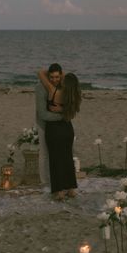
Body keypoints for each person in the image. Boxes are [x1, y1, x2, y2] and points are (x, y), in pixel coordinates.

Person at [38, 69, 81, 200]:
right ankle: (71, 189)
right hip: (67, 129)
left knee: (55, 160)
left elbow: (40, 72)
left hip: (54, 129)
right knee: (67, 158)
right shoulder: (74, 96)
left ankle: (59, 191)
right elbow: (71, 113)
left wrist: (58, 72)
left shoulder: (54, 91)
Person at [35, 63, 63, 188]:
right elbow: (42, 114)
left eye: (57, 77)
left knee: (59, 153)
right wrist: (62, 116)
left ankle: (57, 180)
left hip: (59, 126)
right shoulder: (41, 88)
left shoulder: (63, 86)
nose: (54, 80)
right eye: (51, 77)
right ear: (48, 76)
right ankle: (44, 182)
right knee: (45, 153)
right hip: (44, 125)